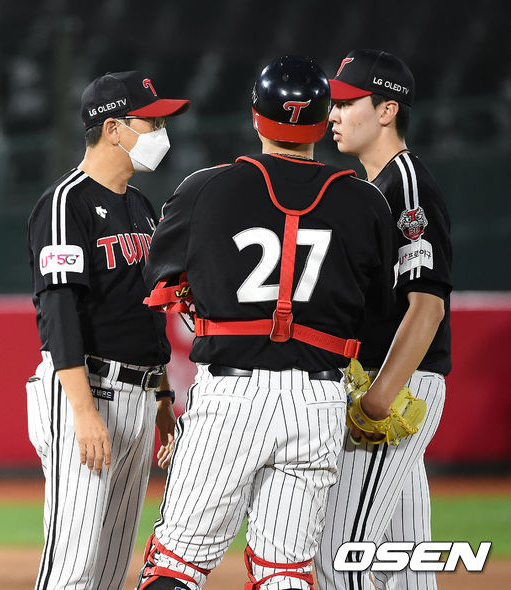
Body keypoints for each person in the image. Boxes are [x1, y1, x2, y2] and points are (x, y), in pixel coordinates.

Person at [134, 55, 397, 590]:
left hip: (230, 397)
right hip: (318, 402)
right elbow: (377, 312)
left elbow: (158, 283)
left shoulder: (206, 187)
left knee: (176, 563)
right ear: (324, 123)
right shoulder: (366, 202)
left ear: (256, 118)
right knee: (285, 572)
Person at [26, 70, 190, 590]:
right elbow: (58, 310)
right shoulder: (65, 203)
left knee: (109, 568)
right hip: (86, 388)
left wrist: (163, 400)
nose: (161, 130)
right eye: (152, 119)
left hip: (140, 396)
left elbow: (146, 311)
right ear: (114, 128)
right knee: (72, 568)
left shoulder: (141, 207)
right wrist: (81, 411)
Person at [314, 49, 452, 590]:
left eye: (348, 102)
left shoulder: (406, 185)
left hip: (394, 385)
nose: (334, 114)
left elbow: (427, 304)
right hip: (390, 381)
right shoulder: (373, 188)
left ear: (388, 110)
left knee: (339, 553)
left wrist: (377, 399)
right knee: (405, 567)